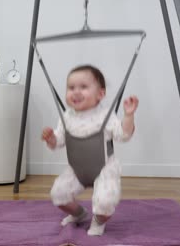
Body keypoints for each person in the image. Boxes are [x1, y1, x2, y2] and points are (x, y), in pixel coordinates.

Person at [41, 64, 139, 236]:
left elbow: (123, 135)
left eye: (83, 87)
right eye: (71, 88)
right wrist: (51, 139)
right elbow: (59, 141)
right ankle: (79, 214)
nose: (76, 91)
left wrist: (128, 116)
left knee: (105, 201)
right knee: (58, 194)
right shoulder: (67, 117)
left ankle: (99, 220)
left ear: (100, 94)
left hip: (104, 168)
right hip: (77, 169)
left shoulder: (105, 115)